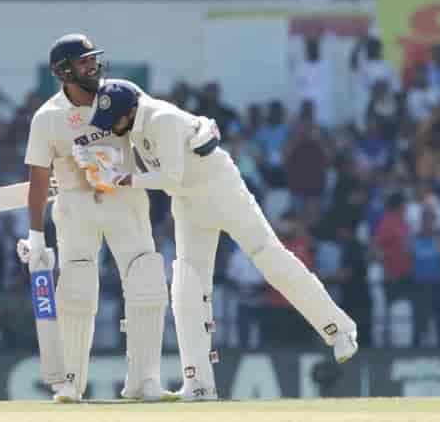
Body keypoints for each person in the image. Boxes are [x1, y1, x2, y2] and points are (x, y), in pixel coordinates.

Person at [81, 81, 359, 401]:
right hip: (187, 203)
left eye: (113, 121)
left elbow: (172, 177)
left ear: (129, 112)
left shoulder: (161, 119)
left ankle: (340, 330)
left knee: (268, 257)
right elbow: (144, 166)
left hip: (220, 188)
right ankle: (199, 384)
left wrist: (119, 179)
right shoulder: (132, 125)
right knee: (186, 283)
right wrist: (93, 170)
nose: (112, 129)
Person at [20, 33, 171, 403]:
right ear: (63, 71)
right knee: (77, 287)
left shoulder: (122, 92)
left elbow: (160, 124)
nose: (93, 66)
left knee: (146, 280)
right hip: (76, 206)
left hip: (126, 199)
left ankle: (144, 381)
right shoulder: (48, 118)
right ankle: (71, 382)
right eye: (84, 62)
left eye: (93, 59)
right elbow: (38, 179)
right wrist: (36, 235)